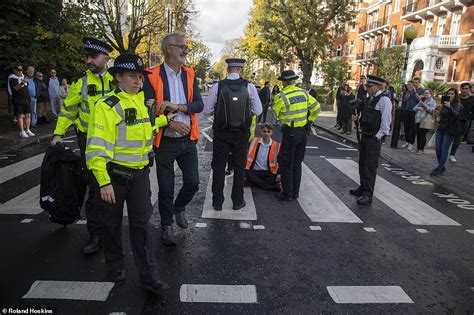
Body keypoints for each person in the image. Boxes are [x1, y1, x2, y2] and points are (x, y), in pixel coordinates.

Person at [86, 53, 172, 294]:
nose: (138, 81)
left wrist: (164, 120)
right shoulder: (106, 106)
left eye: (140, 77)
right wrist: (103, 183)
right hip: (114, 177)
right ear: (118, 77)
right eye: (133, 76)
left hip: (140, 176)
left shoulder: (141, 101)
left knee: (141, 227)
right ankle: (115, 264)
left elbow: (142, 129)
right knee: (111, 225)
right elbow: (96, 148)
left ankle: (149, 277)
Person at [51, 37, 114, 255]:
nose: (88, 61)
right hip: (88, 142)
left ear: (106, 57)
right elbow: (68, 110)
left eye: (93, 56)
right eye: (86, 56)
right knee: (95, 191)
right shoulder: (82, 83)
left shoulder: (118, 80)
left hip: (116, 145)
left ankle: (113, 232)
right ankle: (96, 235)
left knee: (116, 188)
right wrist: (58, 133)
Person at [144, 32, 203, 246]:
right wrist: (170, 123)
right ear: (169, 49)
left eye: (186, 47)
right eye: (182, 47)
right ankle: (167, 226)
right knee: (166, 187)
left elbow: (199, 105)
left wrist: (177, 107)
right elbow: (147, 109)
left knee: (193, 182)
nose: (186, 50)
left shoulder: (189, 73)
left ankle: (179, 207)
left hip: (188, 140)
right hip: (165, 141)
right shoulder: (151, 75)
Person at [204, 58, 262, 211]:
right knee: (239, 167)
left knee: (218, 167)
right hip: (241, 134)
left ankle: (217, 202)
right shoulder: (249, 86)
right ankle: (237, 201)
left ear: (227, 69)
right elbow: (258, 110)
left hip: (222, 133)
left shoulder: (218, 86)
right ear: (240, 69)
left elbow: (207, 110)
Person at [273, 70, 321, 201]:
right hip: (302, 133)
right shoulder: (304, 93)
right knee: (297, 163)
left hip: (290, 133)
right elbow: (317, 108)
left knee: (286, 163)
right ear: (294, 80)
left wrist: (282, 119)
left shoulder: (281, 96)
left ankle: (287, 193)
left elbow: (276, 113)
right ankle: (295, 192)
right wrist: (309, 120)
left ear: (284, 82)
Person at [350, 75, 392, 205]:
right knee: (362, 164)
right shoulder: (370, 99)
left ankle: (368, 194)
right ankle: (363, 187)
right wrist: (357, 119)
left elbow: (386, 123)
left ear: (378, 86)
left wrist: (377, 137)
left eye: (370, 86)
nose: (367, 88)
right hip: (365, 135)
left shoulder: (384, 100)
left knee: (370, 166)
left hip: (374, 137)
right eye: (367, 86)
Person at [431, 88, 462, 176]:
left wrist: (450, 107)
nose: (450, 95)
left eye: (452, 94)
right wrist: (438, 116)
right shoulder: (444, 103)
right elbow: (442, 114)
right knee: (438, 148)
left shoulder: (457, 104)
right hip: (441, 128)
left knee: (444, 148)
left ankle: (440, 168)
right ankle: (442, 165)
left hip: (450, 130)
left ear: (455, 95)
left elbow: (456, 115)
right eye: (448, 93)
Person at [245, 123, 281, 191]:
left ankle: (252, 182)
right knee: (245, 172)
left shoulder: (276, 145)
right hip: (255, 171)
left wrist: (279, 173)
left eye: (268, 131)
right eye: (264, 131)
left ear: (272, 132)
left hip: (268, 172)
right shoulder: (254, 141)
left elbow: (281, 161)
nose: (266, 134)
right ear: (261, 131)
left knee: (277, 177)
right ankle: (268, 187)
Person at [449, 82, 474, 162]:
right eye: (463, 88)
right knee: (448, 138)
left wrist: (469, 119)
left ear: (470, 90)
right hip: (452, 120)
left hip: (463, 122)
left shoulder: (472, 99)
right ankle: (445, 152)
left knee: (457, 139)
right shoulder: (456, 98)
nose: (464, 90)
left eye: (467, 89)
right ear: (460, 89)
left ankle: (452, 155)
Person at [9, 65, 34, 138]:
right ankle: (22, 131)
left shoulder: (23, 77)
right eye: (18, 70)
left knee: (28, 115)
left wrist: (24, 81)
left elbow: (26, 88)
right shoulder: (12, 78)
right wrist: (22, 83)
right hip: (18, 100)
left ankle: (28, 130)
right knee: (20, 116)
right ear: (14, 70)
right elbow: (16, 88)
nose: (20, 72)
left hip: (26, 99)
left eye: (21, 70)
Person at [402, 77, 424, 150]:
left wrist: (415, 92)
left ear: (419, 83)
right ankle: (407, 141)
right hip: (408, 110)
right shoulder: (410, 90)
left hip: (416, 112)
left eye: (416, 82)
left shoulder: (422, 90)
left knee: (413, 128)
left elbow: (420, 100)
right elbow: (405, 99)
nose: (414, 84)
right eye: (413, 82)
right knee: (406, 127)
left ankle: (411, 143)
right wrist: (408, 91)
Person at [413, 89, 436, 154]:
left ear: (430, 94)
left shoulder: (432, 101)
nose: (426, 94)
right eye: (425, 93)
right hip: (418, 119)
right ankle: (418, 148)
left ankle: (421, 149)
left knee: (422, 134)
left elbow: (431, 110)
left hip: (425, 120)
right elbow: (414, 108)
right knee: (418, 134)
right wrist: (419, 108)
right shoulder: (422, 100)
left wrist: (424, 106)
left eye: (427, 93)